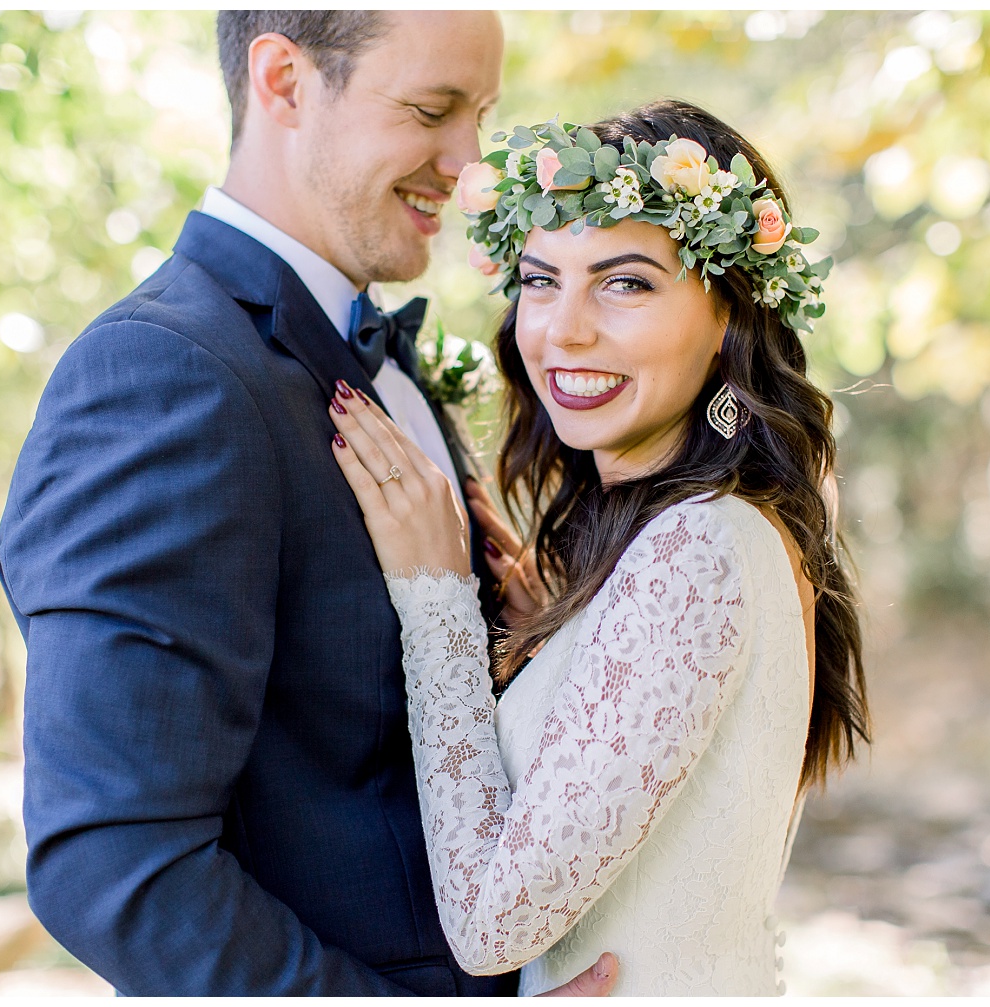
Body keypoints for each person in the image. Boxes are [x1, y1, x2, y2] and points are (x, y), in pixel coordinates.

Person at [0, 11, 614, 996]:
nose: (469, 160)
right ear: (283, 80)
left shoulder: (370, 357)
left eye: (481, 115)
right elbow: (117, 868)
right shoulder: (164, 374)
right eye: (431, 109)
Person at [328, 99, 871, 995]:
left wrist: (435, 605)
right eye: (540, 281)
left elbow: (487, 924)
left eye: (625, 283)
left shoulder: (696, 547)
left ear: (729, 318)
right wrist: (557, 630)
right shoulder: (704, 532)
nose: (564, 329)